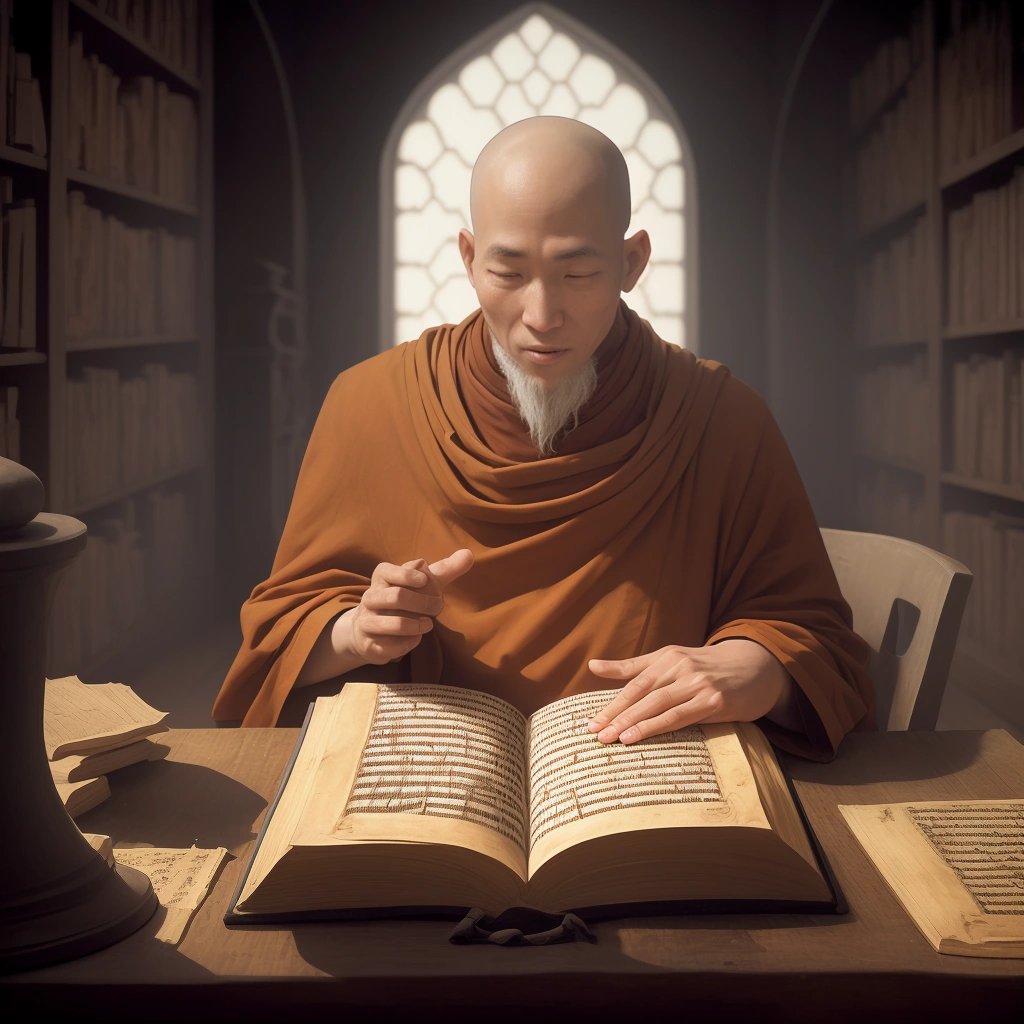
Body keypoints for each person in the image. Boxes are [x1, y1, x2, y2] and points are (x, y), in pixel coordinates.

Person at [211, 115, 875, 761]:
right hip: (433, 782)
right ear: (470, 260)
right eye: (508, 272)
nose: (541, 317)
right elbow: (280, 629)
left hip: (643, 781)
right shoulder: (368, 403)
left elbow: (813, 639)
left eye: (577, 274)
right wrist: (355, 630)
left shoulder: (718, 418)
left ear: (631, 261)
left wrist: (752, 668)